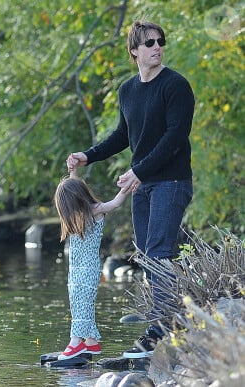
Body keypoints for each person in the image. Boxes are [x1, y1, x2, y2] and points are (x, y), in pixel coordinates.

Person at [67, 20, 194, 359]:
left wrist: (138, 169)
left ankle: (163, 329)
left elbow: (175, 138)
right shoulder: (128, 90)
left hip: (172, 182)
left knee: (158, 252)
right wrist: (88, 155)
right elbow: (122, 135)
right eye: (149, 42)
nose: (157, 47)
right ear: (134, 51)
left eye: (160, 41)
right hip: (144, 184)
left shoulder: (176, 86)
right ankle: (167, 321)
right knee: (148, 256)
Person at [53, 169, 128, 360]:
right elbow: (74, 187)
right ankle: (91, 342)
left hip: (88, 270)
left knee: (83, 304)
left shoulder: (95, 211)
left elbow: (116, 203)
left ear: (74, 201)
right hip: (75, 270)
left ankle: (75, 342)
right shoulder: (78, 214)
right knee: (77, 304)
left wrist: (128, 185)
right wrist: (73, 172)